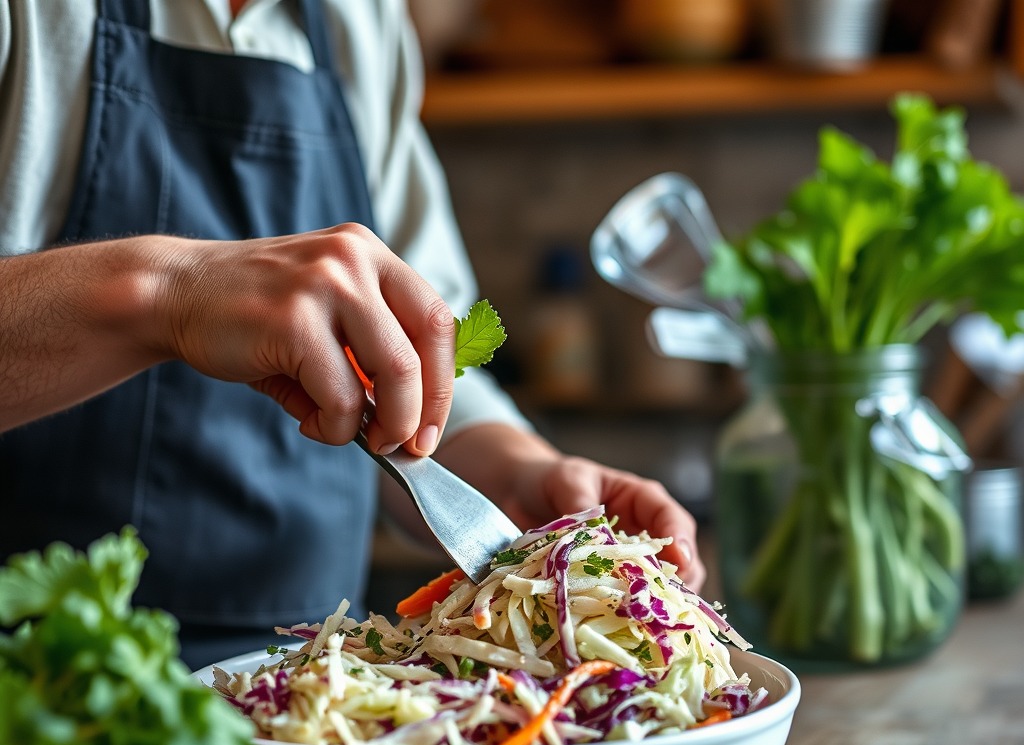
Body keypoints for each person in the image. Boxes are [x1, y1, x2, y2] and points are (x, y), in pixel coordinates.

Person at [0, 0, 705, 668]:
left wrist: (519, 476)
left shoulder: (361, 19)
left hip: (307, 694)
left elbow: (418, 372)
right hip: (38, 691)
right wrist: (166, 292)